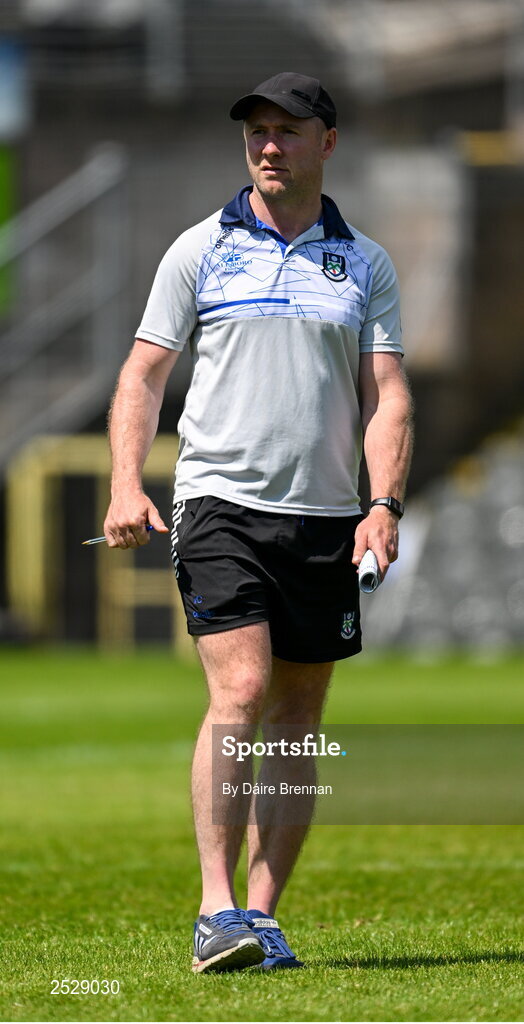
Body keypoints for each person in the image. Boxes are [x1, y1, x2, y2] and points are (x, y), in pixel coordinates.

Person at [104, 72, 413, 974]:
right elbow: (142, 375)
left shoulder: (365, 263)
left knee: (298, 718)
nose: (269, 146)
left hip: (326, 517)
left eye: (288, 130)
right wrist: (125, 483)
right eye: (257, 132)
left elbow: (387, 396)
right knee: (240, 690)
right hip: (219, 505)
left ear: (328, 142)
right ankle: (216, 909)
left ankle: (263, 917)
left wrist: (383, 504)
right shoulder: (198, 249)